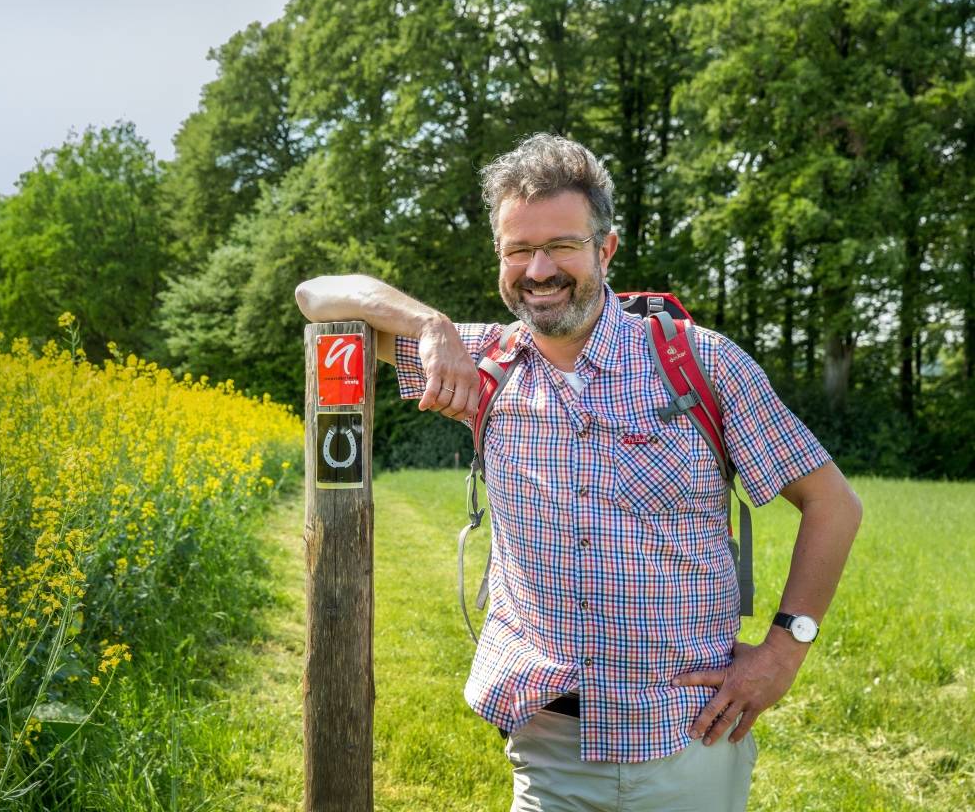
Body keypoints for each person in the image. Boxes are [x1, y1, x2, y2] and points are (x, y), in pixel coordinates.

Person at [293, 133, 862, 811]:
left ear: (605, 249)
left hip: (689, 743)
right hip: (549, 749)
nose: (538, 269)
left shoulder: (701, 363)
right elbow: (317, 293)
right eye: (517, 250)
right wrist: (429, 323)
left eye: (561, 245)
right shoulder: (482, 366)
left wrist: (781, 653)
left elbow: (833, 503)